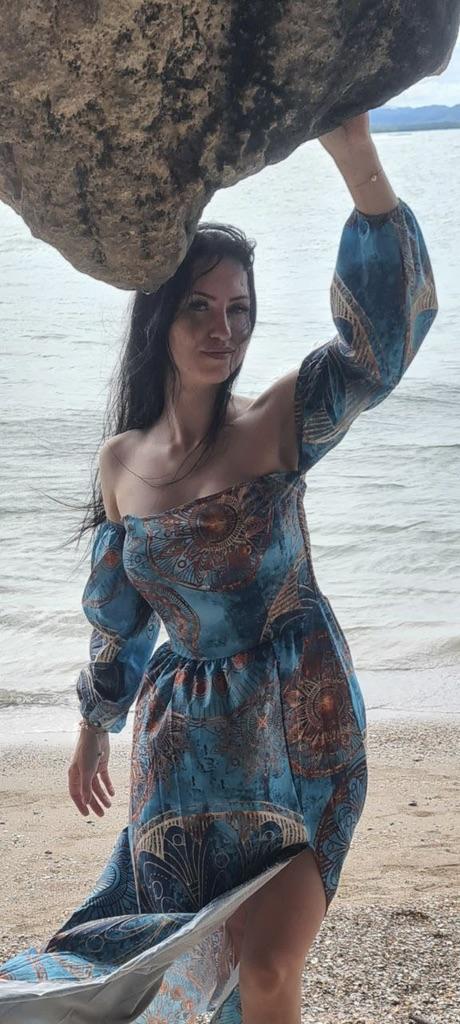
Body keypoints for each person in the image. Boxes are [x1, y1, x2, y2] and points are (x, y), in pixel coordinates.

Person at [0, 111, 437, 1024]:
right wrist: (93, 726)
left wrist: (357, 156)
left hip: (300, 726)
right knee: (180, 973)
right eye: (199, 306)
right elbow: (119, 618)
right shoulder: (121, 464)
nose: (222, 328)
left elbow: (380, 347)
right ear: (159, 316)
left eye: (238, 309)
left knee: (269, 964)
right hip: (182, 758)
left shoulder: (277, 421)